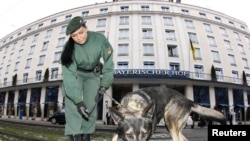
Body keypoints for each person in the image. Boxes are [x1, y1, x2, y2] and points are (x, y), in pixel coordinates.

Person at [60, 16, 114, 141]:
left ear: (86, 28)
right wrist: (78, 100)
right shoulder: (68, 49)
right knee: (73, 105)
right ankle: (75, 135)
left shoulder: (99, 39)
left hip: (93, 75)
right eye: (74, 36)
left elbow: (108, 63)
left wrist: (104, 84)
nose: (79, 38)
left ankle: (86, 135)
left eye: (81, 33)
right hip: (76, 74)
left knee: (91, 105)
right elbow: (69, 77)